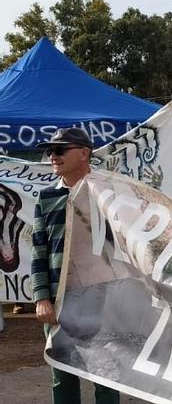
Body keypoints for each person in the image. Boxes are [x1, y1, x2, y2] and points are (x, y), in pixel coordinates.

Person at [31, 128, 120, 404]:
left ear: (84, 154)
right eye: (50, 151)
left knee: (104, 374)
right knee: (63, 375)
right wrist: (41, 298)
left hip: (101, 297)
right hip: (61, 300)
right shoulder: (46, 197)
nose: (52, 157)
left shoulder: (109, 192)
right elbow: (39, 252)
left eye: (59, 150)